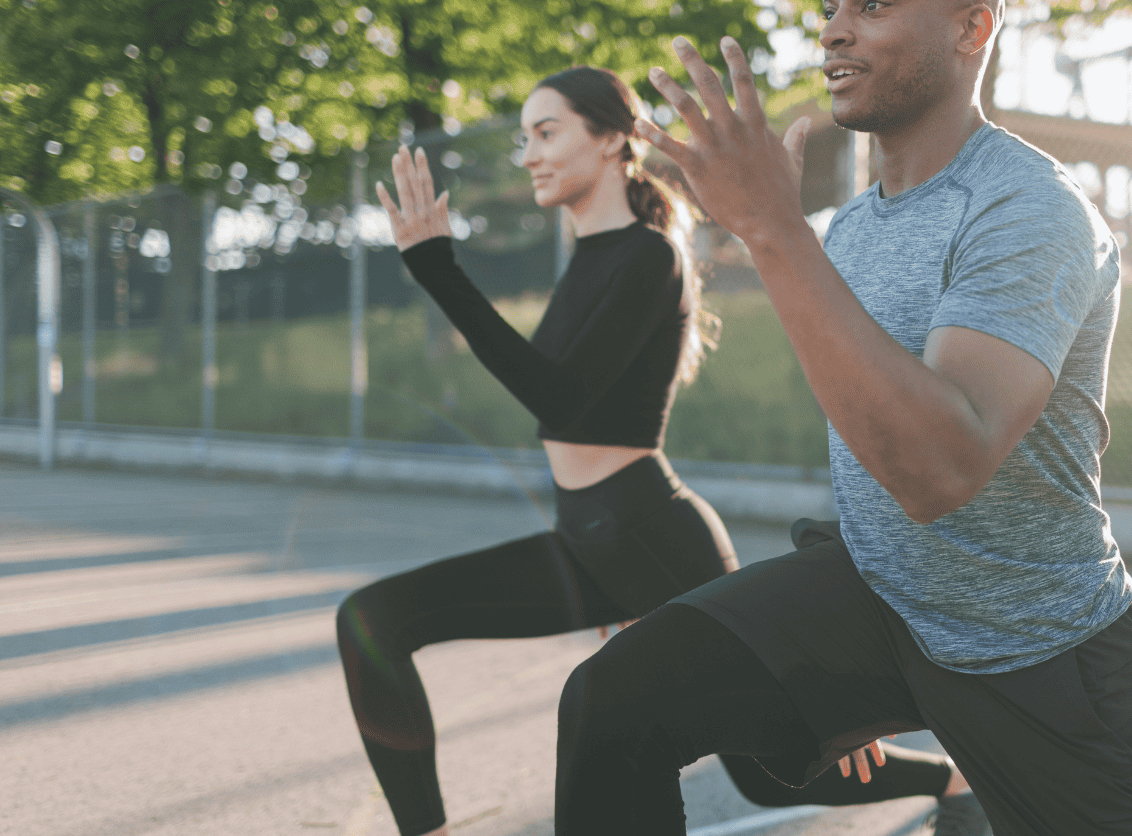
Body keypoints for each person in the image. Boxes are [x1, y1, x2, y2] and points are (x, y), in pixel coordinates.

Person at [551, 2, 1132, 834]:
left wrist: (772, 228)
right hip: (879, 599)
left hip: (1034, 644)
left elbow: (940, 470)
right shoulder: (850, 229)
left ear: (971, 28)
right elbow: (868, 439)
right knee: (613, 700)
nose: (834, 30)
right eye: (830, 8)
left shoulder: (1030, 209)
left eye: (871, 5)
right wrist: (827, 666)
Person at [336, 66, 974, 836]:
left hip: (652, 536)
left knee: (768, 774)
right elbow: (553, 395)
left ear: (611, 140)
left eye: (547, 133)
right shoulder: (590, 256)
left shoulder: (649, 255)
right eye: (523, 139)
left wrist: (440, 270)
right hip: (586, 540)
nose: (529, 155)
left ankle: (952, 780)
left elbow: (561, 400)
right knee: (373, 621)